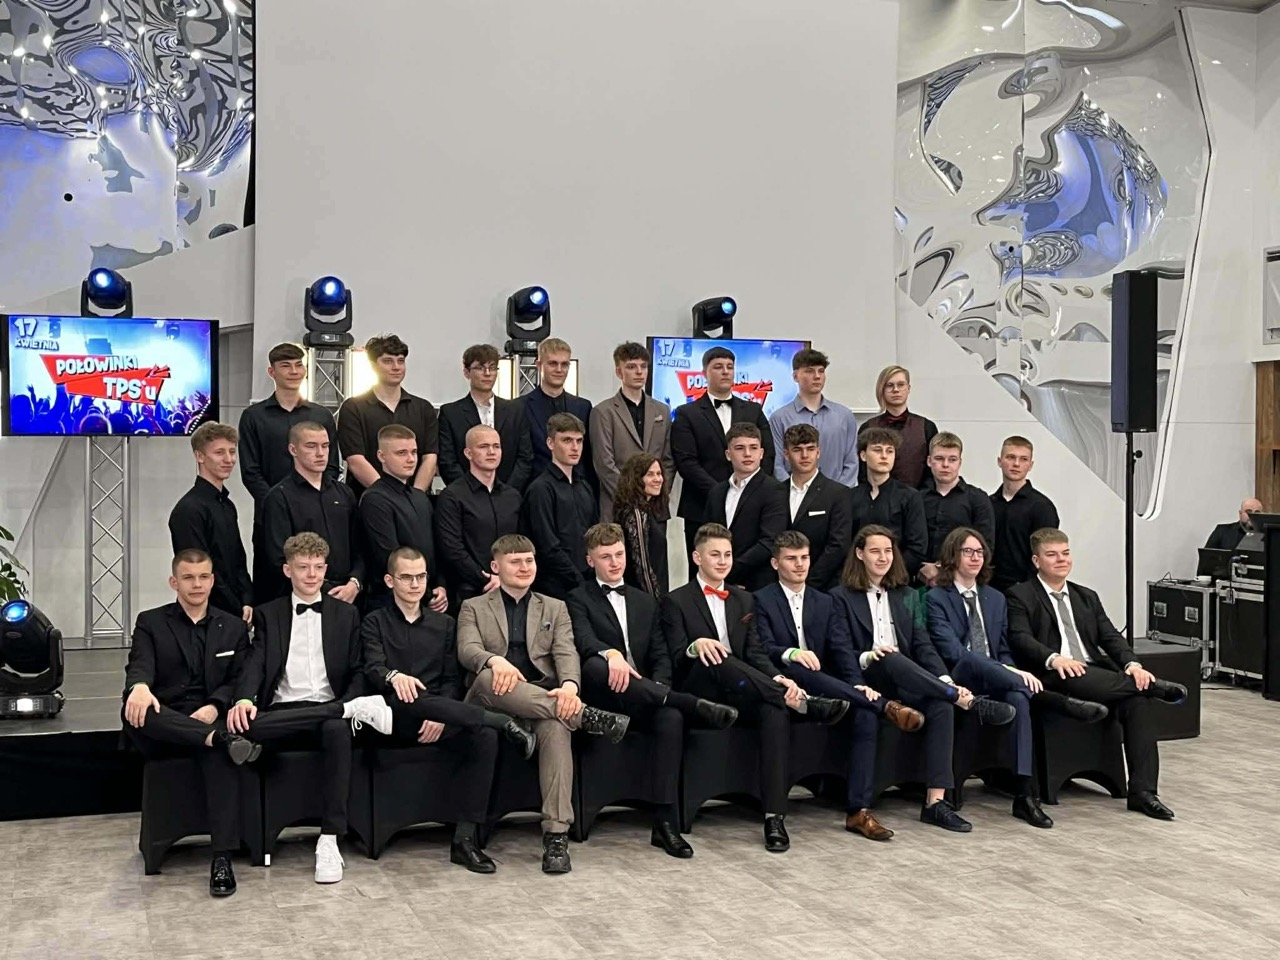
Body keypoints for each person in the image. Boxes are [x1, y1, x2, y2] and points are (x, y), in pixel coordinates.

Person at [662, 523, 849, 853]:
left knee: (774, 710)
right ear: (697, 558)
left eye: (728, 554)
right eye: (715, 555)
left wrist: (778, 678)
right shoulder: (675, 601)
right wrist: (695, 646)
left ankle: (774, 817)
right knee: (718, 654)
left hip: (745, 688)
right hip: (701, 691)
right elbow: (675, 657)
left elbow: (757, 654)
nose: (723, 561)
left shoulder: (745, 599)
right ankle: (804, 703)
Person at [456, 534, 631, 874]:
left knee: (556, 725)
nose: (524, 567)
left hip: (539, 700)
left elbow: (566, 652)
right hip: (490, 700)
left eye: (529, 560)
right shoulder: (473, 607)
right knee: (489, 678)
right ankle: (586, 717)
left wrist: (569, 687)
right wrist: (495, 661)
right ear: (495, 566)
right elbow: (467, 649)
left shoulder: (554, 606)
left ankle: (556, 837)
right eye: (515, 561)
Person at [226, 533, 394, 883]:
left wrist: (343, 704)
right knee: (247, 725)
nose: (312, 575)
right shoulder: (269, 614)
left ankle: (329, 840)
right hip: (283, 712)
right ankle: (345, 712)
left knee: (335, 729)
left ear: (326, 568)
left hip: (330, 708)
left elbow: (358, 670)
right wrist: (244, 698)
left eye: (318, 567)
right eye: (303, 567)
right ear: (288, 570)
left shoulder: (346, 614)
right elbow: (255, 664)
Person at [360, 546, 537, 873]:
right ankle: (501, 721)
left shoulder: (444, 624)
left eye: (421, 576)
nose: (415, 584)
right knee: (404, 692)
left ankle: (465, 840)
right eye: (407, 577)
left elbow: (452, 681)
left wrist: (441, 716)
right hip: (393, 718)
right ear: (389, 580)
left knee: (484, 737)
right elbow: (373, 668)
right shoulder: (374, 621)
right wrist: (394, 676)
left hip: (440, 720)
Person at [829, 525, 1016, 833]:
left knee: (941, 706)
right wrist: (864, 665)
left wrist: (945, 680)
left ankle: (935, 803)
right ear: (860, 554)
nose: (883, 557)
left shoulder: (907, 596)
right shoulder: (840, 597)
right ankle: (966, 701)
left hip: (907, 677)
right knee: (889, 657)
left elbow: (923, 645)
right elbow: (839, 648)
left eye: (888, 551)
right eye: (875, 551)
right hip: (867, 676)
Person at [567, 523, 738, 858]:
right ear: (590, 561)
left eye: (619, 554)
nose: (615, 562)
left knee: (671, 717)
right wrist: (611, 654)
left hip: (645, 695)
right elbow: (584, 641)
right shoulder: (577, 598)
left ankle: (664, 823)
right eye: (606, 557)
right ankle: (690, 703)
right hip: (605, 696)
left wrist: (658, 686)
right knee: (595, 666)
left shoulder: (645, 600)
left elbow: (661, 654)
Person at [926, 528, 1106, 830]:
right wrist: (1012, 672)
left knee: (1019, 697)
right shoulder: (936, 598)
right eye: (967, 552)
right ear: (952, 556)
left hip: (1000, 679)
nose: (975, 558)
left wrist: (1010, 669)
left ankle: (1024, 795)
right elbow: (953, 652)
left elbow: (1003, 650)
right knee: (980, 663)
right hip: (961, 679)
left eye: (980, 552)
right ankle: (1056, 701)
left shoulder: (995, 598)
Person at [1006, 528, 1188, 820]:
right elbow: (1020, 638)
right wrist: (1054, 658)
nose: (1061, 560)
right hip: (1053, 674)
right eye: (1052, 555)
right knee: (1131, 689)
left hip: (1095, 674)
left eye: (1066, 553)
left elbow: (1111, 637)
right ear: (1036, 561)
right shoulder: (1020, 595)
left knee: (1137, 704)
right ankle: (1153, 687)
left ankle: (1143, 793)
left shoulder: (1086, 596)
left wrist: (1133, 665)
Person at [754, 532, 924, 841]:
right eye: (791, 559)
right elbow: (761, 647)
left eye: (804, 558)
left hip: (828, 686)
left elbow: (841, 649)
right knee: (800, 666)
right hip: (784, 684)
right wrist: (792, 652)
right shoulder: (761, 599)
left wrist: (858, 684)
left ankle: (858, 810)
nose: (800, 565)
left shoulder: (824, 600)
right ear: (775, 563)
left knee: (865, 715)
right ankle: (886, 706)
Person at [122, 550, 259, 896]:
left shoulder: (233, 626)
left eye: (203, 577)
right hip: (165, 721)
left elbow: (239, 678)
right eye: (188, 577)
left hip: (208, 716)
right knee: (138, 708)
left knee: (219, 752)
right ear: (174, 582)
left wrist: (215, 706)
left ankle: (222, 859)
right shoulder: (150, 622)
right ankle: (216, 737)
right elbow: (140, 663)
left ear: (212, 580)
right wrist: (139, 686)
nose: (196, 584)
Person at [238, 343, 340, 599]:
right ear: (272, 372)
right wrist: (279, 504)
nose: (294, 371)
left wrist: (313, 500)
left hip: (317, 514)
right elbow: (251, 472)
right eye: (286, 366)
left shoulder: (322, 415)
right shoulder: (254, 417)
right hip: (271, 518)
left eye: (298, 365)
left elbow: (332, 466)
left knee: (320, 584)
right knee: (272, 589)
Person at [671, 346, 774, 557]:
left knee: (748, 565)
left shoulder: (753, 410)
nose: (726, 371)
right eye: (718, 367)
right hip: (701, 506)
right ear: (704, 373)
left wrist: (748, 491)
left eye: (730, 367)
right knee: (703, 567)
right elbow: (686, 463)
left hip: (751, 505)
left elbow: (768, 454)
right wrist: (721, 493)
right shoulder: (687, 413)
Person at [260, 422, 365, 604]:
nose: (320, 453)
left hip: (350, 596)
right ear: (293, 450)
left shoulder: (344, 493)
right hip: (302, 598)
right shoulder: (279, 497)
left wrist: (355, 582)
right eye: (311, 446)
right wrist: (324, 589)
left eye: (325, 446)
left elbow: (360, 546)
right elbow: (279, 557)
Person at [336, 334, 439, 499]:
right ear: (373, 366)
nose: (396, 367)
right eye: (388, 361)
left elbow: (430, 458)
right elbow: (355, 460)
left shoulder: (423, 408)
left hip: (416, 500)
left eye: (401, 361)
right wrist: (389, 498)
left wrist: (416, 497)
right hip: (369, 500)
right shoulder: (353, 408)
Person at [169, 422, 253, 622]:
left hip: (235, 612)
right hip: (206, 615)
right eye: (219, 452)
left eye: (232, 452)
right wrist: (235, 608)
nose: (229, 459)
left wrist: (247, 600)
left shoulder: (227, 505)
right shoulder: (188, 509)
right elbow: (197, 571)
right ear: (200, 456)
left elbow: (238, 561)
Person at [359, 424, 448, 612]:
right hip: (390, 603)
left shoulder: (420, 497)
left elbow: (436, 547)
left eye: (414, 452)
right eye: (401, 453)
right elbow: (388, 556)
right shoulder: (374, 499)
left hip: (427, 598)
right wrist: (427, 593)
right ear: (381, 456)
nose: (411, 459)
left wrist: (441, 585)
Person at [435, 425, 523, 606]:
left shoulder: (513, 496)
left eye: (496, 446)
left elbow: (522, 542)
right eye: (483, 446)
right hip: (469, 592)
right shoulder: (452, 496)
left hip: (513, 589)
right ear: (468, 453)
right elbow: (452, 549)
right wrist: (486, 579)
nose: (491, 452)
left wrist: (512, 577)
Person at [591, 341, 674, 520]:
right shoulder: (603, 412)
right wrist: (633, 498)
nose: (639, 372)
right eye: (631, 367)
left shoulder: (662, 410)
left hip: (655, 507)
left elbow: (668, 460)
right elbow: (605, 464)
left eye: (643, 366)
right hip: (618, 505)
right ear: (619, 372)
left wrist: (656, 493)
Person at [522, 412, 598, 600]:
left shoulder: (584, 486)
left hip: (587, 581)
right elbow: (547, 545)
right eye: (567, 440)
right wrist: (578, 579)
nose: (575, 447)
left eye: (579, 441)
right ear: (550, 443)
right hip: (554, 587)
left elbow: (595, 534)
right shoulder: (540, 489)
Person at [437, 343, 533, 490]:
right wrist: (469, 491)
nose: (487, 373)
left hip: (509, 494)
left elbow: (525, 458)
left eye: (492, 368)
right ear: (467, 372)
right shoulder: (451, 413)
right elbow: (447, 461)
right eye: (480, 368)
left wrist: (507, 492)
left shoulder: (515, 410)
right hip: (466, 495)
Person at [704, 423, 787, 591]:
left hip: (757, 585)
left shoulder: (775, 490)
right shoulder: (717, 492)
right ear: (728, 454)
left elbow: (769, 542)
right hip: (719, 583)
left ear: (761, 453)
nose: (747, 454)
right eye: (740, 448)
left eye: (753, 448)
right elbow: (707, 536)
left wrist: (730, 571)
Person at [776, 424, 852, 592]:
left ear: (818, 452)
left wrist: (807, 584)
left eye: (810, 449)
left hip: (823, 588)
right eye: (797, 450)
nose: (805, 455)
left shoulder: (838, 493)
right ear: (786, 455)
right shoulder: (775, 492)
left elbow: (838, 545)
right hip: (779, 586)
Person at [768, 348, 859, 486]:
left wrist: (840, 492)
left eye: (821, 371)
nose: (817, 376)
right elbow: (777, 465)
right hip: (794, 494)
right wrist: (793, 492)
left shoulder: (844, 416)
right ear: (795, 376)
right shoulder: (779, 418)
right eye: (809, 371)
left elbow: (852, 462)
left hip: (838, 493)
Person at [851, 427, 928, 579]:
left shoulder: (910, 496)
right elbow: (845, 543)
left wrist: (891, 573)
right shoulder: (850, 497)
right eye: (877, 450)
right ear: (863, 455)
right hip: (856, 578)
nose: (884, 456)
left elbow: (918, 547)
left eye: (890, 451)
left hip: (896, 579)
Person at [919, 432, 995, 587]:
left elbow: (985, 545)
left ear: (960, 462)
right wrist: (922, 569)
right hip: (920, 580)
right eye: (939, 458)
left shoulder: (977, 499)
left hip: (962, 581)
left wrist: (940, 568)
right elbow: (910, 540)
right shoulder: (917, 498)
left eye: (952, 459)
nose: (945, 465)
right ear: (929, 461)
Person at [990, 436, 1059, 592]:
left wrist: (1027, 591)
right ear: (999, 461)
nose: (1016, 464)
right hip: (988, 590)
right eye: (1010, 457)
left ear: (1030, 465)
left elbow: (1046, 554)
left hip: (1026, 592)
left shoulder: (1042, 507)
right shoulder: (988, 504)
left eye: (1023, 459)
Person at [522, 338, 594, 486]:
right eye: (553, 363)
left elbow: (588, 458)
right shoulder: (520, 407)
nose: (559, 370)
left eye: (564, 364)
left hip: (576, 488)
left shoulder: (583, 407)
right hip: (536, 490)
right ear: (539, 365)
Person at [857, 365, 938, 488]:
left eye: (900, 385)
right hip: (877, 496)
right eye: (890, 385)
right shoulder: (868, 427)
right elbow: (862, 471)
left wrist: (921, 496)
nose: (895, 390)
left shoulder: (927, 427)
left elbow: (933, 468)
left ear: (908, 388)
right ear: (881, 389)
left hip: (918, 496)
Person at [614, 453, 671, 598]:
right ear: (636, 479)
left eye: (659, 473)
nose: (658, 479)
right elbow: (642, 565)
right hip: (645, 598)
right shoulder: (636, 514)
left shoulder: (644, 510)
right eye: (650, 474)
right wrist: (657, 601)